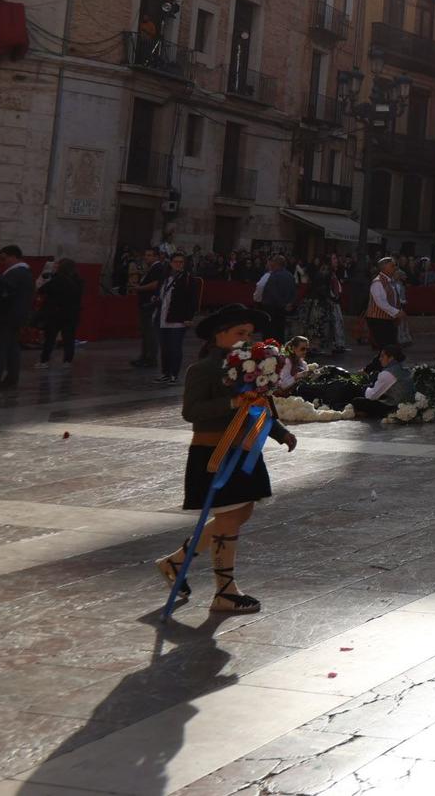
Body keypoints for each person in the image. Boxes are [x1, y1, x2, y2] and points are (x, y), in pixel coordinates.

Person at [157, 304, 295, 615]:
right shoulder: (203, 369)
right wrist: (232, 401)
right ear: (219, 336)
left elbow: (258, 407)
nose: (245, 340)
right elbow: (191, 411)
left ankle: (177, 562)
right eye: (238, 334)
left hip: (242, 450)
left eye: (248, 335)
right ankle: (224, 590)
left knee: (239, 512)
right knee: (231, 515)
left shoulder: (253, 369)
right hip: (213, 454)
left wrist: (279, 432)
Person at [0, 245, 34, 391]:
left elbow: (4, 294)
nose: (2, 261)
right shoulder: (23, 272)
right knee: (12, 348)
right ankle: (11, 379)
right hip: (15, 316)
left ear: (13, 256)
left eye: (4, 258)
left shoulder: (16, 273)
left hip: (6, 317)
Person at [155, 252, 205, 385]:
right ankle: (165, 373)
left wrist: (189, 317)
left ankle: (174, 374)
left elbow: (192, 300)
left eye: (181, 262)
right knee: (165, 348)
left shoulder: (188, 278)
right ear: (170, 263)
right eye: (176, 261)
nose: (178, 264)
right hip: (163, 317)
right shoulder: (165, 277)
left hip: (178, 319)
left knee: (175, 347)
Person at [33, 257, 84, 368]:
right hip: (71, 313)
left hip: (55, 313)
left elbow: (41, 290)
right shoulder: (78, 280)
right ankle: (67, 361)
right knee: (69, 339)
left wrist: (45, 279)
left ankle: (44, 361)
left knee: (50, 338)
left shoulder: (57, 280)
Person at [352, 346, 412, 420]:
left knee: (357, 401)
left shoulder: (388, 373)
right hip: (405, 403)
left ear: (391, 358)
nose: (380, 359)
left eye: (382, 356)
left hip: (394, 407)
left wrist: (364, 389)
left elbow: (372, 396)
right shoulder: (404, 368)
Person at [365, 256, 407, 354]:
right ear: (385, 268)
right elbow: (381, 302)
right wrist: (396, 312)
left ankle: (385, 366)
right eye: (392, 266)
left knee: (390, 347)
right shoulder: (378, 282)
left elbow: (393, 297)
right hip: (378, 319)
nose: (395, 268)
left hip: (387, 319)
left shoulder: (389, 281)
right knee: (386, 348)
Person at [132, 246, 164, 369]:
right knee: (145, 332)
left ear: (156, 256)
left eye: (150, 255)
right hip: (144, 304)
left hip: (150, 304)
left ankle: (151, 358)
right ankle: (144, 357)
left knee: (150, 332)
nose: (147, 257)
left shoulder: (158, 268)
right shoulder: (151, 268)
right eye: (146, 255)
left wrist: (140, 288)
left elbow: (157, 284)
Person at [251, 254, 296, 341]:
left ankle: (268, 349)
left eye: (273, 263)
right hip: (284, 308)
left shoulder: (273, 275)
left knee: (269, 331)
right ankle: (279, 348)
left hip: (271, 307)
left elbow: (272, 292)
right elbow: (293, 292)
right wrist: (289, 303)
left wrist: (282, 304)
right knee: (280, 330)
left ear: (276, 264)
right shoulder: (290, 276)